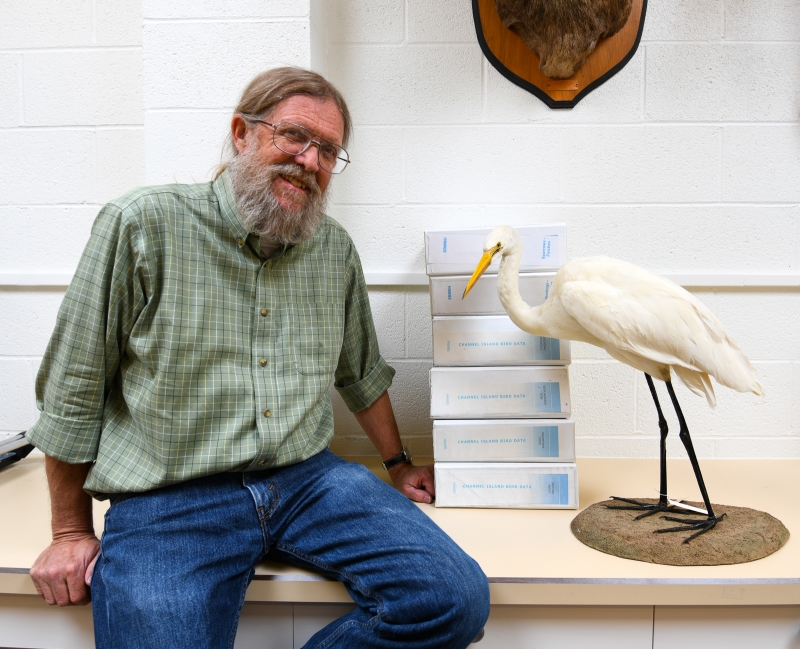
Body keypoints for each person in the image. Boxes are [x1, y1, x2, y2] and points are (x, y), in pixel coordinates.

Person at [26, 67, 490, 648]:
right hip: (171, 498)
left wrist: (398, 464)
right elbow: (74, 383)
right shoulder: (141, 224)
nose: (310, 160)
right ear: (242, 133)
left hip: (307, 481)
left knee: (451, 598)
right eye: (294, 135)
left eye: (329, 151)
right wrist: (69, 529)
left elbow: (360, 372)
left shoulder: (334, 248)